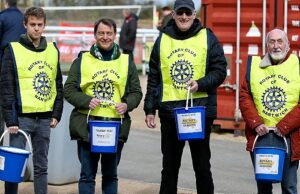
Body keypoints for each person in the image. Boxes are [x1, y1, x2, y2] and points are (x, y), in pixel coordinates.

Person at [144, 0, 227, 193]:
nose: (183, 17)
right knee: (169, 170)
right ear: (173, 15)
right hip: (169, 113)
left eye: (187, 13)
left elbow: (220, 70)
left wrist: (201, 83)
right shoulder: (162, 39)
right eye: (179, 13)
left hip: (199, 111)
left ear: (194, 15)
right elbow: (154, 77)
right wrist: (149, 108)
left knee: (202, 168)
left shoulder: (207, 37)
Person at [64, 18, 142, 194]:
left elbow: (136, 92)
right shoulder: (82, 60)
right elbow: (68, 90)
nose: (105, 37)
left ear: (115, 35)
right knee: (86, 175)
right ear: (95, 35)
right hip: (87, 126)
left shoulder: (126, 61)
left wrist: (127, 104)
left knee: (110, 175)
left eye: (109, 33)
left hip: (114, 127)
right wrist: (85, 101)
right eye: (101, 33)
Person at [0, 6, 63, 194]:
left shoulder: (52, 50)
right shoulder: (12, 50)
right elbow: (6, 87)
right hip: (20, 120)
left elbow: (57, 83)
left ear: (44, 26)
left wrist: (57, 113)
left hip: (44, 119)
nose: (36, 28)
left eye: (40, 25)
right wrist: (10, 119)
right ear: (25, 25)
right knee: (14, 167)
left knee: (41, 167)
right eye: (32, 24)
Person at [239, 28, 300, 194]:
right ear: (266, 45)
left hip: (289, 136)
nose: (276, 46)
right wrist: (256, 123)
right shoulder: (255, 66)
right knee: (263, 186)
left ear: (288, 45)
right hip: (261, 135)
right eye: (272, 42)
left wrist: (285, 126)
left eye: (280, 41)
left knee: (289, 186)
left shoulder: (297, 65)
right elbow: (245, 96)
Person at [0, 0, 26, 141]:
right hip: (21, 73)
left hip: (4, 73)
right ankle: (16, 154)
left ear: (5, 2)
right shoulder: (24, 18)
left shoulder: (2, 17)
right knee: (18, 115)